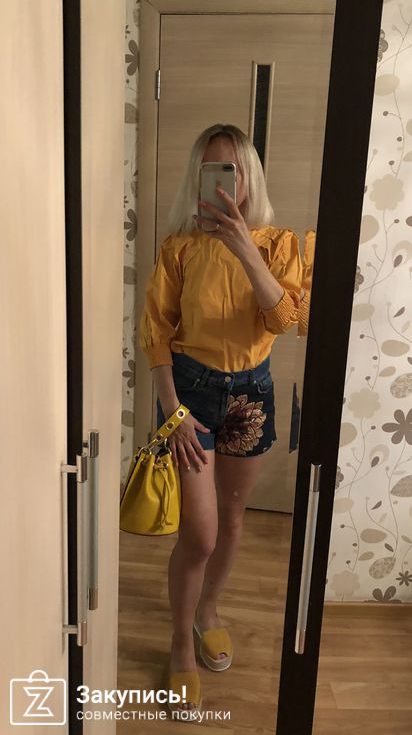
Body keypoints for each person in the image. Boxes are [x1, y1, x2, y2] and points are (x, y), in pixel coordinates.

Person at [139, 123, 302, 719]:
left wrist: (244, 246)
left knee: (232, 520)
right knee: (201, 533)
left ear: (249, 178)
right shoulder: (179, 248)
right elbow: (155, 336)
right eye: (212, 172)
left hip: (251, 392)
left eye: (232, 172)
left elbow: (285, 319)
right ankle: (180, 642)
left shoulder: (278, 245)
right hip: (191, 393)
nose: (224, 185)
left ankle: (207, 612)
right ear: (198, 178)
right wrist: (173, 413)